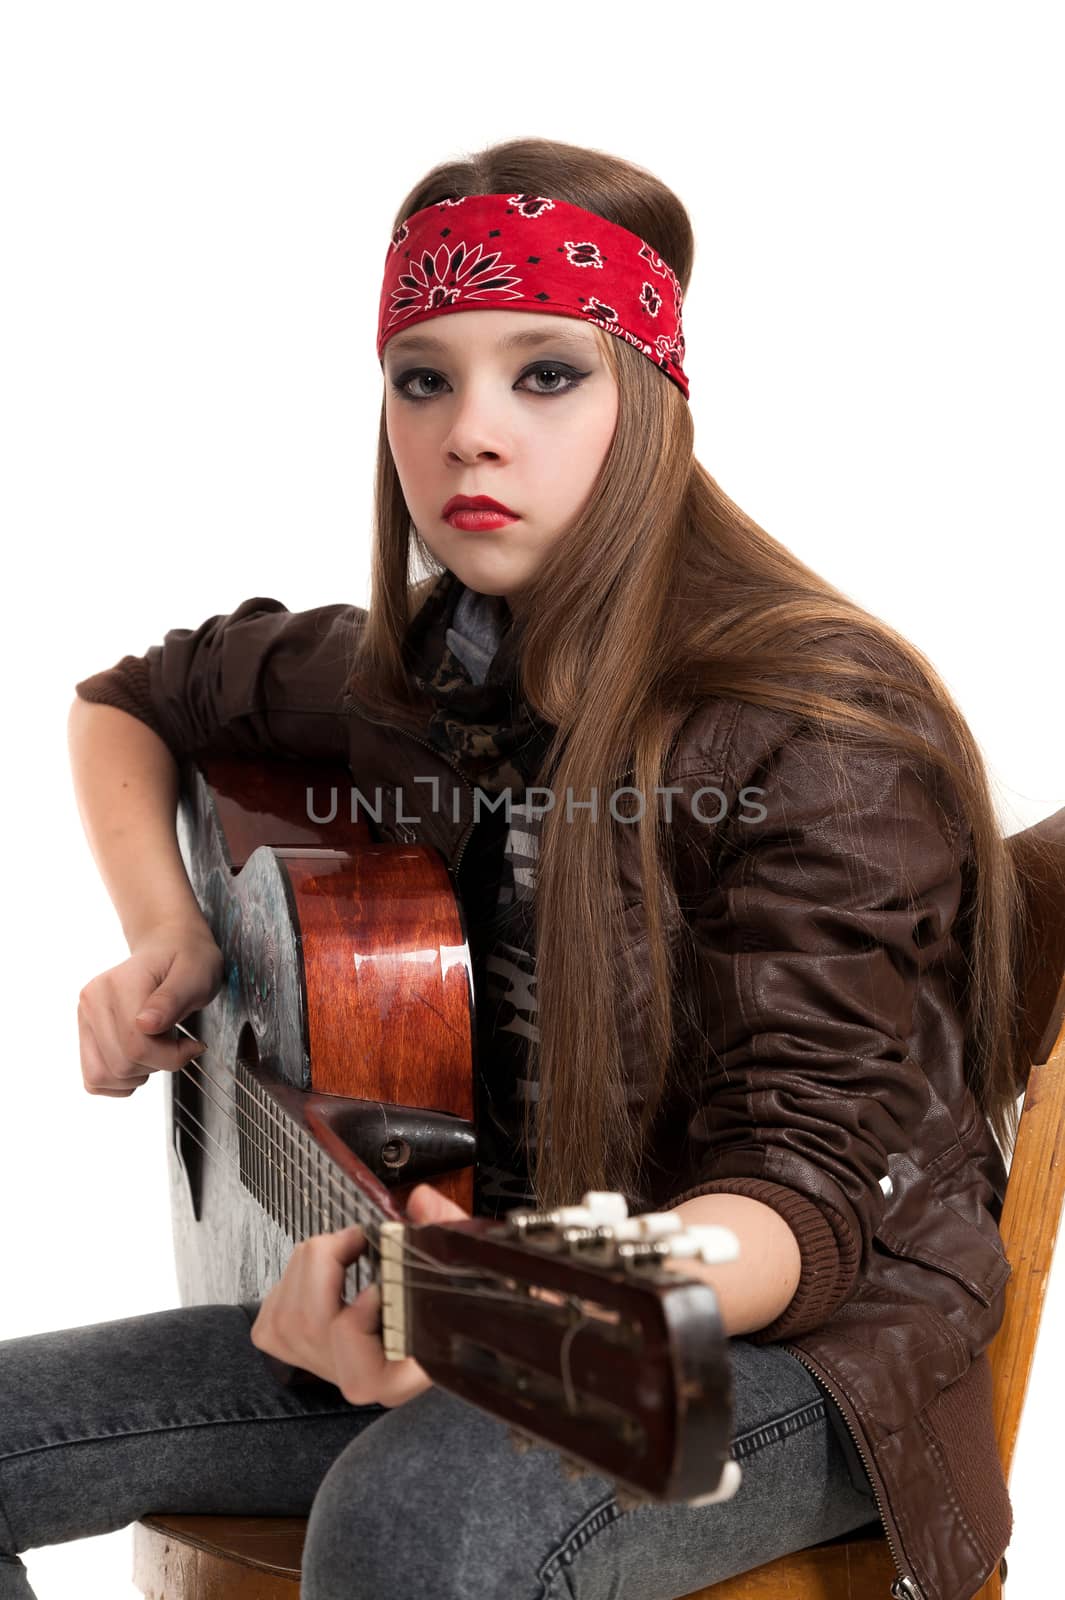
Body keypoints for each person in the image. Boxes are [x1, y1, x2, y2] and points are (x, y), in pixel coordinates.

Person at [1, 136, 1021, 1600]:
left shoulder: (814, 727)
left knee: (423, 1515)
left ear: (651, 398)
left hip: (798, 1348)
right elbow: (130, 699)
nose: (470, 433)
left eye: (545, 373)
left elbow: (803, 1205)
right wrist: (169, 932)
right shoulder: (421, 673)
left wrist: (487, 1311)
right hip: (483, 1294)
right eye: (423, 377)